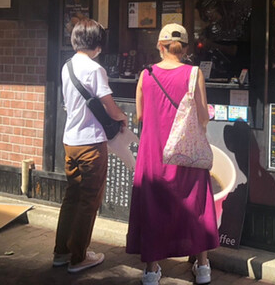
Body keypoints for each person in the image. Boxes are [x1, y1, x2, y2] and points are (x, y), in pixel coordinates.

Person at [126, 23, 219, 285]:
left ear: (160, 46)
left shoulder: (146, 75)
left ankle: (151, 270)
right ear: (186, 48)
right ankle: (203, 267)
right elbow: (203, 116)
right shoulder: (194, 74)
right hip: (186, 153)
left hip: (154, 153)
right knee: (196, 206)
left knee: (153, 207)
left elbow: (140, 115)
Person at [53, 19, 127, 272]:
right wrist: (122, 117)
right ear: (97, 44)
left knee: (72, 197)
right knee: (89, 200)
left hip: (70, 141)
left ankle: (61, 252)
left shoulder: (67, 66)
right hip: (91, 144)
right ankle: (79, 257)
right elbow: (110, 106)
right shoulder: (95, 69)